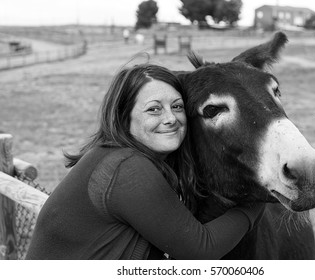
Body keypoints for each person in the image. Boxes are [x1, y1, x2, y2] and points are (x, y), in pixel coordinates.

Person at [26, 63, 264, 260]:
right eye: (154, 110)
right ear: (123, 117)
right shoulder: (126, 169)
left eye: (177, 106)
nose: (170, 118)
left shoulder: (114, 155)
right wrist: (258, 200)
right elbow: (201, 249)